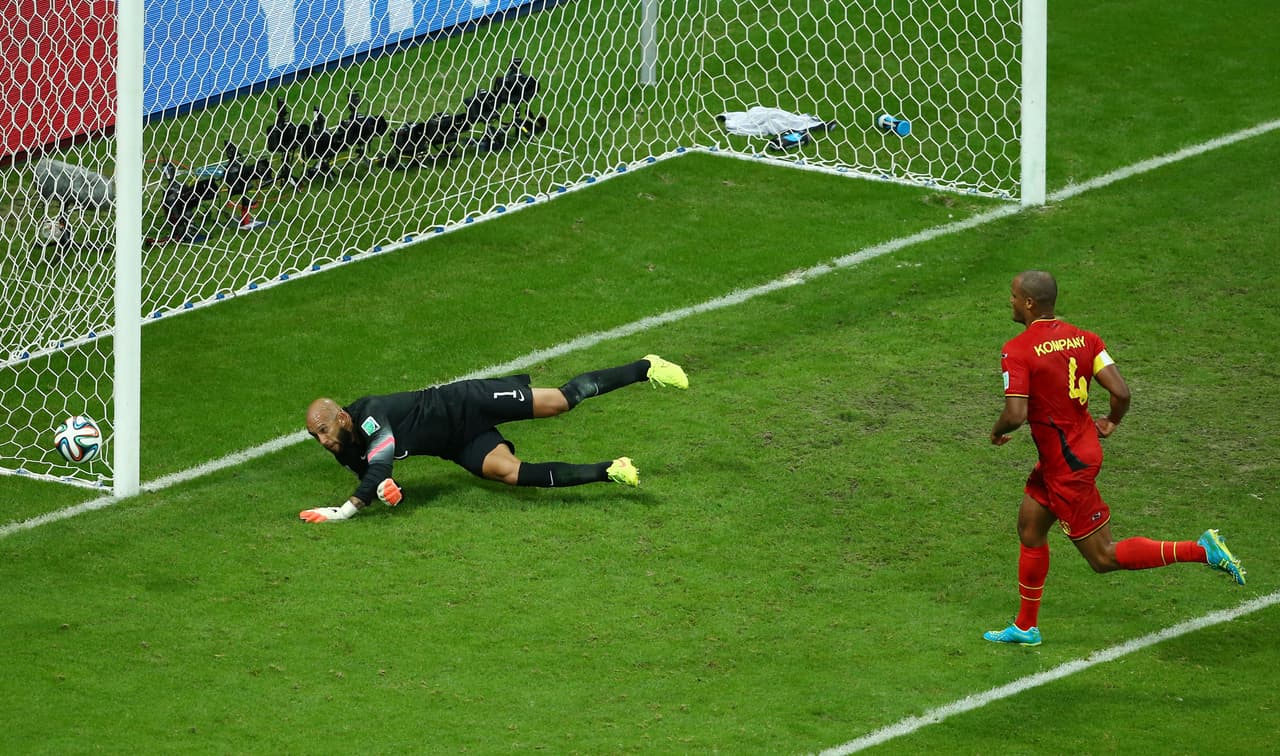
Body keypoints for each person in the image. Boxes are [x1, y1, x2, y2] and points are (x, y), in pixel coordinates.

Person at [983, 270, 1245, 646]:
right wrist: (1111, 422)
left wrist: (998, 430)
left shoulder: (1017, 350)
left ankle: (1203, 550)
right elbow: (1121, 392)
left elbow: (1016, 414)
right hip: (1077, 449)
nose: (1009, 301)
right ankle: (1026, 626)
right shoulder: (1087, 339)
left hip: (1067, 465)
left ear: (1028, 303)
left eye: (1012, 296)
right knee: (1030, 528)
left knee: (1103, 557)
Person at [299, 354, 689, 523]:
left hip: (467, 403)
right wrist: (390, 491)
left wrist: (343, 511)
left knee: (560, 402)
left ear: (344, 419)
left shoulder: (370, 417)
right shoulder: (344, 448)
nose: (323, 442)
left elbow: (380, 462)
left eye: (325, 432)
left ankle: (646, 367)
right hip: (455, 444)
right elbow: (378, 477)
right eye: (316, 437)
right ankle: (612, 471)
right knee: (510, 473)